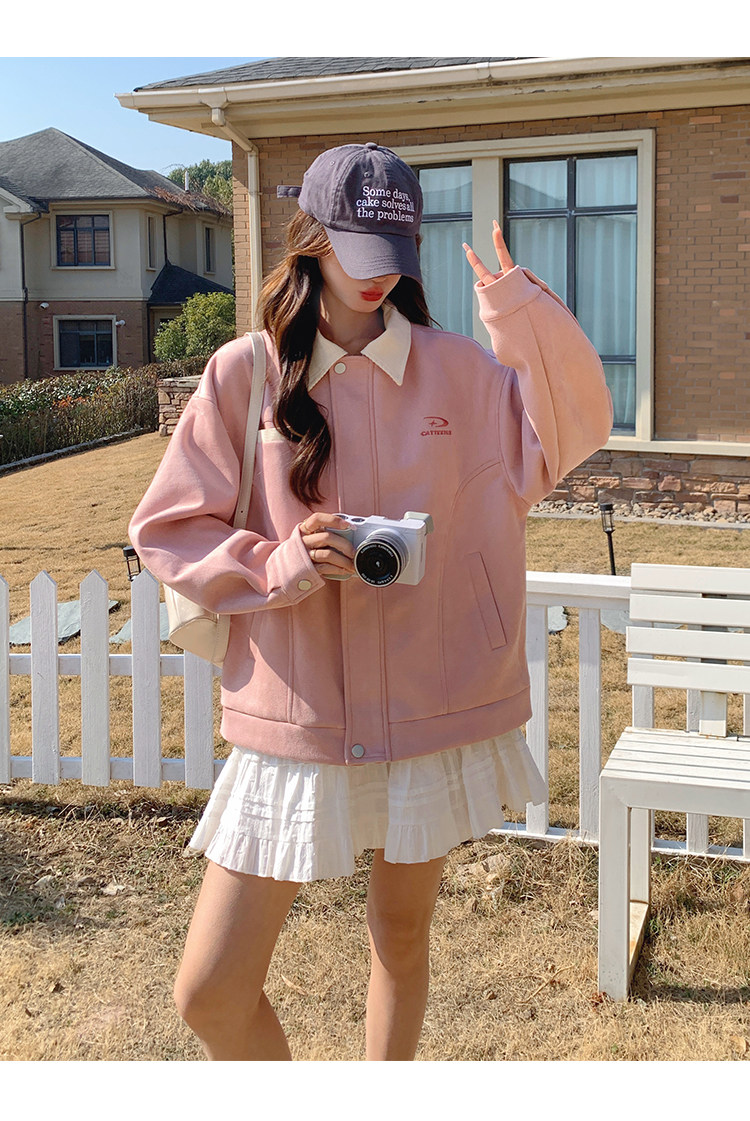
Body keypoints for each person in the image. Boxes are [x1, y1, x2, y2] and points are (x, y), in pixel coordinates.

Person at [128, 141, 613, 1061]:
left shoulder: (461, 369)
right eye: (356, 253)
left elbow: (573, 427)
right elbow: (166, 528)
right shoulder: (245, 373)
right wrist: (278, 564)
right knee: (210, 991)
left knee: (401, 937)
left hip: (429, 701)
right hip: (297, 708)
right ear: (309, 240)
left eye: (391, 256)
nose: (375, 278)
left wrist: (520, 314)